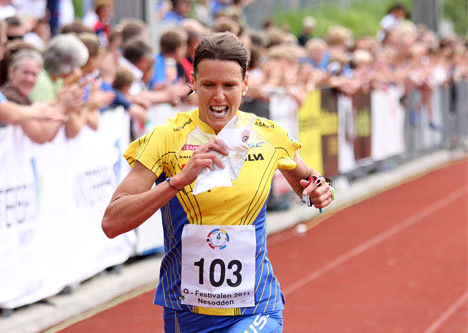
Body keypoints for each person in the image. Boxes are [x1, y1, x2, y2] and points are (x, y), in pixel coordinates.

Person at [102, 32, 334, 333]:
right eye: (209, 85)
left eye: (229, 85)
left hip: (256, 307)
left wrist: (319, 190)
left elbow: (311, 183)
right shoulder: (167, 136)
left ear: (246, 85)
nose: (219, 96)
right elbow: (112, 222)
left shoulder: (268, 135)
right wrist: (177, 181)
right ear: (193, 82)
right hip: (186, 313)